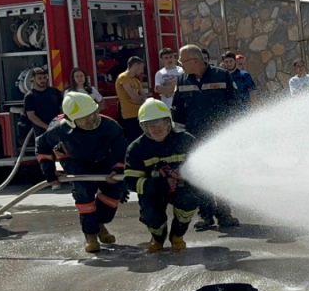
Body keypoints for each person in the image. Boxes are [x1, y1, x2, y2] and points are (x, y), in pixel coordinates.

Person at [37, 91, 128, 254]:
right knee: (84, 191)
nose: (91, 119)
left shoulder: (110, 126)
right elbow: (42, 145)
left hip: (102, 157)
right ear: (71, 120)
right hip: (73, 159)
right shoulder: (59, 129)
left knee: (115, 191)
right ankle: (91, 235)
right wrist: (49, 172)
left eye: (93, 114)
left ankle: (100, 224)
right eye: (85, 117)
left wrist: (118, 169)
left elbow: (122, 151)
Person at [173, 44, 240, 230]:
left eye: (182, 61)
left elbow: (234, 105)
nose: (180, 65)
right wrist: (179, 138)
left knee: (221, 176)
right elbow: (177, 112)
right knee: (200, 177)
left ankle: (225, 213)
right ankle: (206, 215)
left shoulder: (222, 76)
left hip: (219, 139)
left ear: (195, 61)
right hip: (194, 139)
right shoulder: (182, 80)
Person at [125, 99, 199, 252]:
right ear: (144, 127)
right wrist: (159, 184)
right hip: (153, 192)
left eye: (160, 124)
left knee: (189, 201)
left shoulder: (185, 140)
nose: (157, 129)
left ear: (168, 122)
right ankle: (158, 238)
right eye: (151, 125)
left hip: (182, 188)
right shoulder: (136, 149)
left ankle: (177, 236)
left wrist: (186, 176)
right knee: (152, 216)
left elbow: (202, 169)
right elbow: (132, 181)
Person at [22, 67, 63, 138]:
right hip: (41, 134)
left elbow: (62, 109)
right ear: (33, 79)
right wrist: (48, 127)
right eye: (39, 78)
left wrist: (59, 124)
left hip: (57, 130)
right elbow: (31, 116)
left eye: (44, 78)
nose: (43, 80)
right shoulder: (30, 96)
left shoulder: (54, 92)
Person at [115, 56, 148, 144]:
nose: (142, 71)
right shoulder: (123, 77)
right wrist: (139, 98)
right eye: (141, 68)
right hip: (128, 116)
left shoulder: (136, 81)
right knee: (133, 140)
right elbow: (134, 97)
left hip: (140, 115)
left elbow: (144, 96)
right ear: (135, 65)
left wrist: (139, 99)